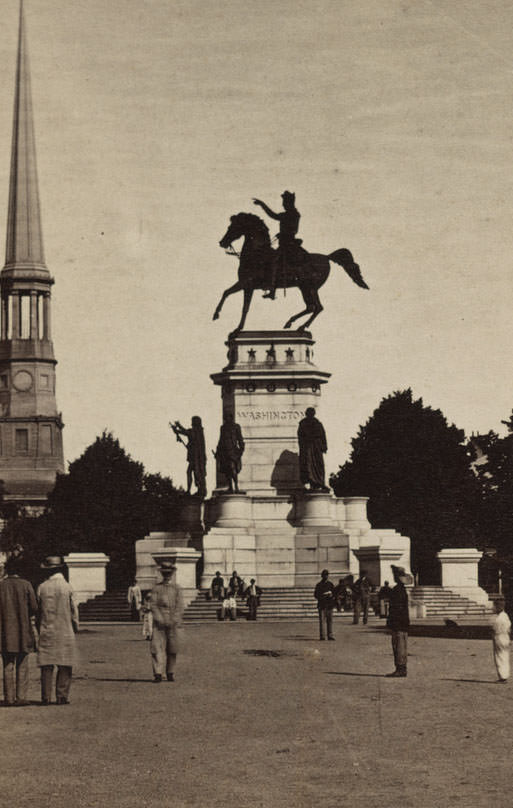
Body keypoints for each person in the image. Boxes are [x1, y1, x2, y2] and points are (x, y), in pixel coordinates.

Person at [37, 556, 79, 705]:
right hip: (65, 629)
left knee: (46, 665)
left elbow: (38, 611)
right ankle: (62, 696)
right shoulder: (67, 587)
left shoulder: (42, 587)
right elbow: (74, 611)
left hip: (47, 628)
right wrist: (75, 626)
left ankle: (45, 697)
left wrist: (38, 627)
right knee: (65, 663)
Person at [0, 557, 38, 706]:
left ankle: (8, 698)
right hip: (23, 630)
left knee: (7, 665)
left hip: (4, 631)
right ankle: (21, 697)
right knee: (22, 664)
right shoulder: (26, 585)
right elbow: (34, 607)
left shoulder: (1, 586)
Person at [253, 191, 302, 299]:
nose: (283, 204)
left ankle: (271, 288)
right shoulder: (289, 214)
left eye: (284, 202)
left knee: (272, 260)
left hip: (288, 244)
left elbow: (293, 229)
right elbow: (273, 215)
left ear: (289, 203)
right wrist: (262, 204)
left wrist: (284, 234)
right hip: (284, 243)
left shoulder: (293, 215)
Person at [150, 561, 184, 682]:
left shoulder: (177, 588)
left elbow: (180, 606)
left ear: (172, 574)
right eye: (165, 573)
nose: (167, 576)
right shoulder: (157, 588)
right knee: (156, 647)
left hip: (174, 622)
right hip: (159, 622)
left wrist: (174, 619)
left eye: (169, 573)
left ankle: (170, 671)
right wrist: (160, 619)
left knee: (173, 648)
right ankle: (158, 673)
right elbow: (153, 605)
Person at [171, 416, 207, 499]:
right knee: (192, 472)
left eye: (192, 421)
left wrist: (178, 426)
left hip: (197, 458)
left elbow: (187, 433)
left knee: (195, 473)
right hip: (194, 457)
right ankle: (191, 490)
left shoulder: (197, 431)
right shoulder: (197, 431)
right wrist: (177, 430)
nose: (191, 423)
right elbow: (186, 433)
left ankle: (195, 490)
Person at [386, 565, 411, 678]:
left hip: (398, 622)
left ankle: (400, 669)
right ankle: (402, 668)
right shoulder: (402, 589)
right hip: (403, 622)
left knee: (398, 645)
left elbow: (395, 608)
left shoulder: (397, 590)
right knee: (402, 645)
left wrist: (391, 622)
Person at [297, 408, 328, 492]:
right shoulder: (303, 423)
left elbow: (323, 436)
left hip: (316, 447)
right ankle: (312, 483)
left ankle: (319, 483)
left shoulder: (318, 423)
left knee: (318, 464)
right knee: (309, 465)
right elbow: (300, 437)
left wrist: (324, 446)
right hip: (308, 447)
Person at [216, 413, 245, 493]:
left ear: (231, 417)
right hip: (224, 451)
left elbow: (240, 438)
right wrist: (218, 451)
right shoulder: (223, 428)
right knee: (227, 470)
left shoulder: (236, 426)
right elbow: (221, 439)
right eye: (225, 417)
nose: (226, 418)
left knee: (232, 468)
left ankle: (236, 486)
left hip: (233, 451)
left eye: (227, 417)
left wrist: (241, 449)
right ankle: (230, 487)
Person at [491, 597, 511, 683]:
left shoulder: (499, 619)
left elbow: (495, 629)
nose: (493, 608)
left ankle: (502, 676)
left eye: (494, 606)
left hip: (499, 637)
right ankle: (505, 674)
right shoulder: (505, 615)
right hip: (506, 636)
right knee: (504, 656)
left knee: (499, 656)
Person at [314, 569, 335, 641]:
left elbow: (334, 594)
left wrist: (331, 595)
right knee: (322, 621)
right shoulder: (319, 585)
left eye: (327, 575)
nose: (326, 576)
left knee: (330, 621)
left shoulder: (330, 584)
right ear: (322, 576)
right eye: (325, 575)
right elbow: (316, 595)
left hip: (329, 605)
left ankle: (330, 635)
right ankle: (322, 636)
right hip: (322, 605)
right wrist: (323, 595)